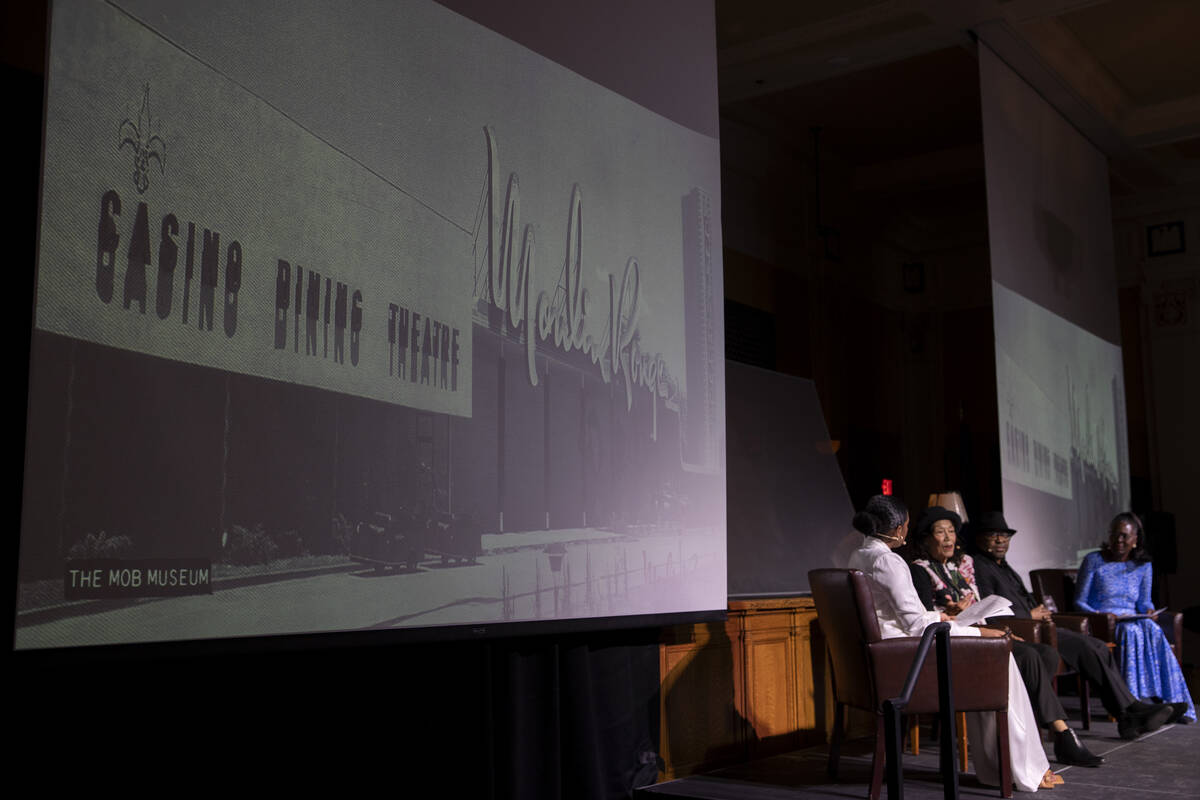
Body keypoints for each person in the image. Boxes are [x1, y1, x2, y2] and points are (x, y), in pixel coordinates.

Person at [846, 495, 1059, 791]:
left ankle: (1008, 766)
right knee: (999, 656)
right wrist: (976, 632)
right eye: (906, 525)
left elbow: (911, 617)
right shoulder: (887, 560)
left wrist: (949, 619)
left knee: (994, 653)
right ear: (898, 529)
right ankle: (1022, 768)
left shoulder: (858, 556)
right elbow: (918, 625)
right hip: (907, 662)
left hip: (890, 655)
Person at [909, 508, 1105, 765]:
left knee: (1045, 653)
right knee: (1028, 657)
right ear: (926, 539)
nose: (947, 538)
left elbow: (980, 605)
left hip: (981, 630)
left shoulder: (964, 565)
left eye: (951, 531)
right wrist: (950, 612)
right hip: (957, 640)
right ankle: (1062, 733)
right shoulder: (920, 570)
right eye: (939, 532)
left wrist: (993, 622)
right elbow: (923, 616)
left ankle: (1023, 724)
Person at [968, 510, 1180, 738]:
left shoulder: (1003, 566)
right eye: (993, 535)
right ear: (980, 537)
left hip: (1041, 627)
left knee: (1097, 646)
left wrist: (1043, 613)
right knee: (1088, 648)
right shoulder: (979, 566)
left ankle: (1127, 714)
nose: (1001, 540)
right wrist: (1030, 614)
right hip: (1024, 631)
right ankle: (1130, 713)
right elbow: (990, 609)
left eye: (1005, 535)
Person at [1075, 513, 1196, 723]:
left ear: (1135, 540)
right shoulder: (1094, 560)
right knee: (1130, 631)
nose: (1118, 541)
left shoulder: (1143, 566)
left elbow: (1144, 602)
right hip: (1104, 621)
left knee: (1152, 628)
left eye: (1124, 536)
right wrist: (1100, 615)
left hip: (1132, 616)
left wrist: (1149, 611)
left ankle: (1170, 701)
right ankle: (1134, 705)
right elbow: (1079, 601)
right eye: (1115, 535)